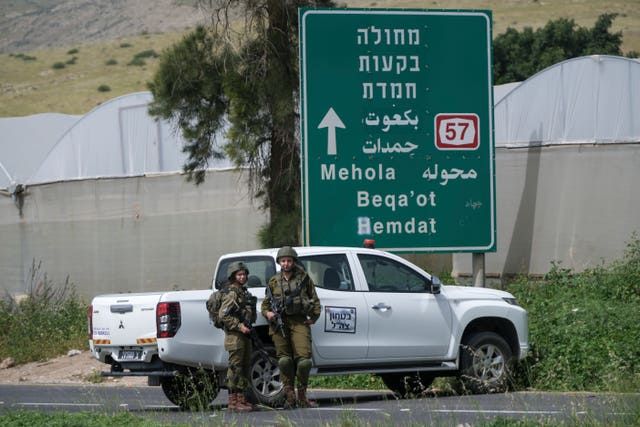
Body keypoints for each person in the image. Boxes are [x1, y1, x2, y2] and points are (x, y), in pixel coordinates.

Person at [261, 246, 321, 408]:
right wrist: (268, 314)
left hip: (299, 321)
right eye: (283, 261)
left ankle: (302, 395)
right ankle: (290, 396)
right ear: (279, 262)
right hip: (279, 323)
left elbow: (314, 299)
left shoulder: (304, 278)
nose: (286, 263)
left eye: (289, 260)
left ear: (294, 261)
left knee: (304, 362)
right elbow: (265, 305)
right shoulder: (274, 281)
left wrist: (313, 318)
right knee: (284, 360)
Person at [219, 261, 257, 412]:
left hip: (244, 336)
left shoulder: (244, 293)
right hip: (235, 336)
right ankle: (233, 401)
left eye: (244, 274)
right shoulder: (232, 293)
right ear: (233, 276)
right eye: (239, 275)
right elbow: (223, 315)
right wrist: (239, 325)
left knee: (245, 367)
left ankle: (242, 399)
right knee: (235, 368)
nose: (242, 277)